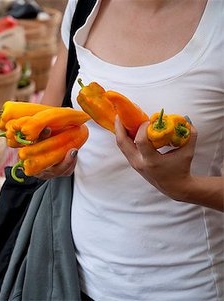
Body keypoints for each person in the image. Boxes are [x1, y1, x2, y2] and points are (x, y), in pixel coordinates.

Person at [33, 0, 223, 300]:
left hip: (189, 287)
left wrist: (186, 187)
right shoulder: (83, 7)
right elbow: (47, 116)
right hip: (73, 277)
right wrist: (45, 158)